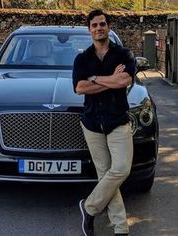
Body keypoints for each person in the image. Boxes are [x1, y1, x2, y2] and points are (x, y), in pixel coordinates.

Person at [72, 9, 135, 236]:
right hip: (92, 124)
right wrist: (111, 80)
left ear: (108, 26)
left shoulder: (124, 55)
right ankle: (121, 229)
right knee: (105, 174)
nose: (99, 28)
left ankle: (89, 208)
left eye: (102, 24)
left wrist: (95, 78)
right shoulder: (82, 58)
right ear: (89, 29)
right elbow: (80, 88)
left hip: (117, 121)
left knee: (121, 169)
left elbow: (125, 80)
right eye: (94, 25)